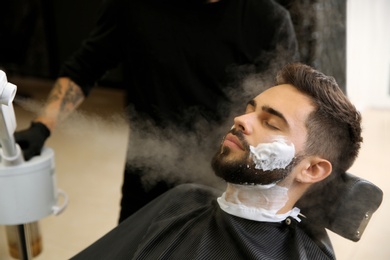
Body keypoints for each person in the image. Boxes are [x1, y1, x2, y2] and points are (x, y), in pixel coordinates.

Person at [14, 0, 299, 223]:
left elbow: (284, 112)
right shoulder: (133, 6)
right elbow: (85, 67)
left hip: (229, 178)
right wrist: (42, 125)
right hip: (149, 172)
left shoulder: (268, 20)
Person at [69, 63, 362, 259]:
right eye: (250, 110)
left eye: (271, 123)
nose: (241, 120)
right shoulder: (182, 200)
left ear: (311, 169)